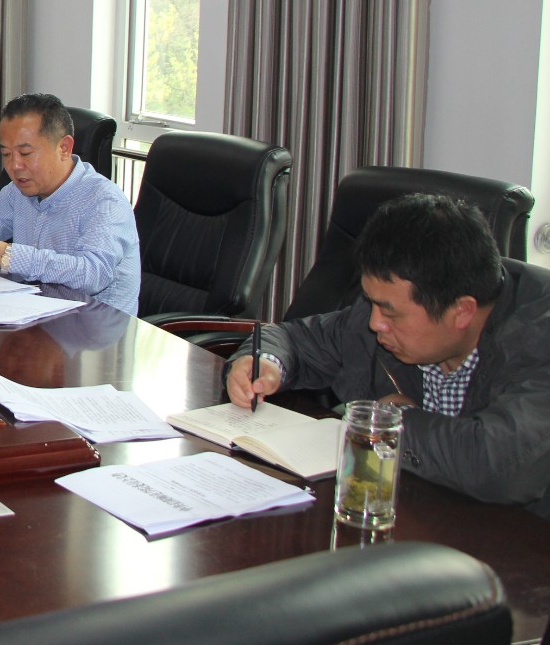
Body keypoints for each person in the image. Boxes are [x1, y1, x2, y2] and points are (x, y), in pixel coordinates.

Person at [227, 194, 550, 518]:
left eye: (389, 312)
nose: (374, 323)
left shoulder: (538, 336)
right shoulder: (382, 315)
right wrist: (265, 361)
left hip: (513, 537)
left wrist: (393, 422)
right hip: (413, 516)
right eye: (372, 303)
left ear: (462, 311)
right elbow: (294, 338)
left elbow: (502, 465)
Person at [0, 93, 139, 313]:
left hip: (94, 327)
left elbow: (93, 274)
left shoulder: (104, 201)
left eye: (25, 153)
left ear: (64, 147)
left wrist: (6, 255)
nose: (14, 166)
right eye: (6, 154)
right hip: (34, 314)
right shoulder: (19, 191)